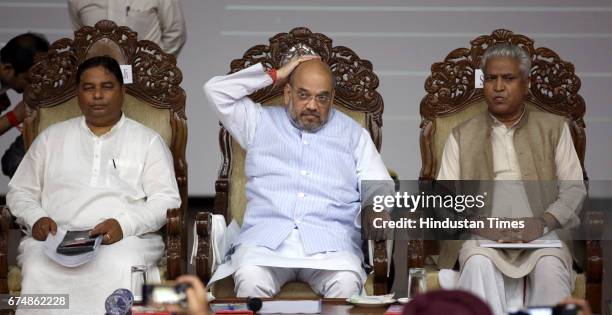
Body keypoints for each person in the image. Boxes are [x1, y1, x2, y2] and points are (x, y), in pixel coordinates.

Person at [203, 54, 393, 298]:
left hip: (331, 246)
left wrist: (374, 208)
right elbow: (215, 90)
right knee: (250, 278)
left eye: (322, 97)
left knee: (346, 283)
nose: (312, 105)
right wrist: (277, 74)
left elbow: (379, 183)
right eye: (303, 95)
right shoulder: (258, 121)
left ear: (332, 99)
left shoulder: (354, 134)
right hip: (265, 243)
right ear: (287, 93)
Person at [7, 55, 180, 314]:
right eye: (89, 88)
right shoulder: (51, 138)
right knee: (37, 268)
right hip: (56, 239)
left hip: (123, 240)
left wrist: (123, 225)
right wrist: (36, 218)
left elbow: (166, 200)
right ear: (78, 93)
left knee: (123, 264)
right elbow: (20, 191)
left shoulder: (147, 141)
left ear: (122, 91)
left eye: (106, 87)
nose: (97, 95)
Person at [436, 43, 586, 315]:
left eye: (508, 78)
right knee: (478, 262)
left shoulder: (554, 128)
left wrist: (542, 223)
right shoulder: (462, 134)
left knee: (550, 266)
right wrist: (481, 225)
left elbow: (574, 188)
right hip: (483, 234)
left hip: (542, 234)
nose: (498, 86)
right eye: (491, 78)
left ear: (526, 84)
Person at [0, 33, 49, 178]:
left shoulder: (6, 57)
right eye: (29, 80)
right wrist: (14, 116)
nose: (34, 86)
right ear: (8, 69)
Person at [67, 0, 187, 56]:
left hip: (145, 83)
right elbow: (80, 38)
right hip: (98, 85)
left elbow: (175, 33)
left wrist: (156, 65)